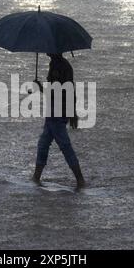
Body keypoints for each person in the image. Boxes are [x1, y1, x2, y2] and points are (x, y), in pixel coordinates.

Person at [32, 53, 85, 189]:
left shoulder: (64, 66)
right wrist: (41, 88)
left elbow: (69, 89)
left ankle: (80, 180)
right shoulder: (53, 64)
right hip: (52, 112)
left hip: (59, 112)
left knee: (64, 146)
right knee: (43, 144)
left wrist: (72, 112)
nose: (46, 50)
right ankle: (36, 177)